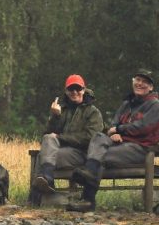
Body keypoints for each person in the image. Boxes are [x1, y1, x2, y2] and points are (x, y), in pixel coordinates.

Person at [68, 70, 159, 211]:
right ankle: (89, 180)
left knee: (98, 157)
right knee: (99, 137)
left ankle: (87, 200)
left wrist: (120, 130)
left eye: (145, 82)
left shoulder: (155, 105)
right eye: (138, 79)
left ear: (151, 87)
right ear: (133, 82)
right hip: (120, 145)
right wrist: (113, 131)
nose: (140, 83)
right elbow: (113, 124)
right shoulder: (127, 103)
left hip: (140, 148)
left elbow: (144, 127)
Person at [30, 74, 104, 202]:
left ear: (84, 89)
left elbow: (91, 137)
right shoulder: (62, 111)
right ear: (66, 91)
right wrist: (55, 117)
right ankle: (47, 181)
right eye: (71, 89)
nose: (75, 92)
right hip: (62, 153)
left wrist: (61, 137)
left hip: (83, 154)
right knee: (47, 141)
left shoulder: (93, 112)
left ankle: (36, 197)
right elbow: (46, 137)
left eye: (78, 89)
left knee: (43, 156)